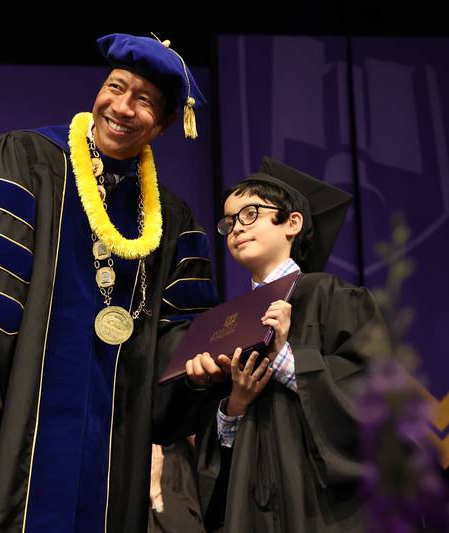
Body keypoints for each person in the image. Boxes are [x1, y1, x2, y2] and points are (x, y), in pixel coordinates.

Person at [0, 33, 218, 533]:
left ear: (162, 125)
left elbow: (174, 332)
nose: (121, 107)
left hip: (107, 455)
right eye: (115, 87)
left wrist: (195, 370)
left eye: (143, 101)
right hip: (2, 434)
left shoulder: (168, 218)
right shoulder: (24, 160)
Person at [184, 157, 390, 531]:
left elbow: (374, 394)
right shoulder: (228, 324)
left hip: (321, 501)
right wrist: (234, 405)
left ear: (292, 223)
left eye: (250, 214)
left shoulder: (331, 296)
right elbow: (224, 451)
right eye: (228, 223)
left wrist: (283, 358)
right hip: (254, 501)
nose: (235, 229)